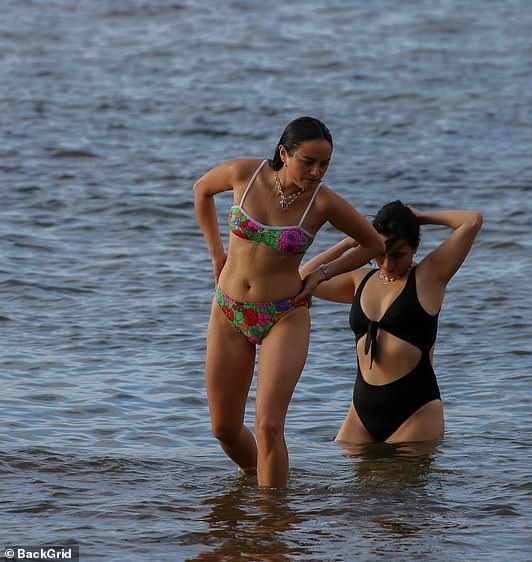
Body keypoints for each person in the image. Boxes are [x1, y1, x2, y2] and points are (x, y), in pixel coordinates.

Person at [193, 116, 384, 486]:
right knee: (225, 430)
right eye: (308, 162)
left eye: (325, 164)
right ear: (284, 152)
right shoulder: (244, 174)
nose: (317, 172)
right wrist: (216, 253)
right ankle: (253, 477)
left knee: (268, 426)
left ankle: (272, 521)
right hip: (229, 309)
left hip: (284, 315)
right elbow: (201, 190)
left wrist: (321, 275)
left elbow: (373, 244)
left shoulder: (323, 202)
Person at [300, 200, 483, 444]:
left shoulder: (430, 276)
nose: (388, 264)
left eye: (399, 255)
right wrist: (348, 243)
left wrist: (420, 216)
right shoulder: (359, 280)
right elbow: (303, 277)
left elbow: (471, 220)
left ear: (415, 246)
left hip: (415, 413)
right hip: (360, 414)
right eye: (380, 254)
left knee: (401, 483)